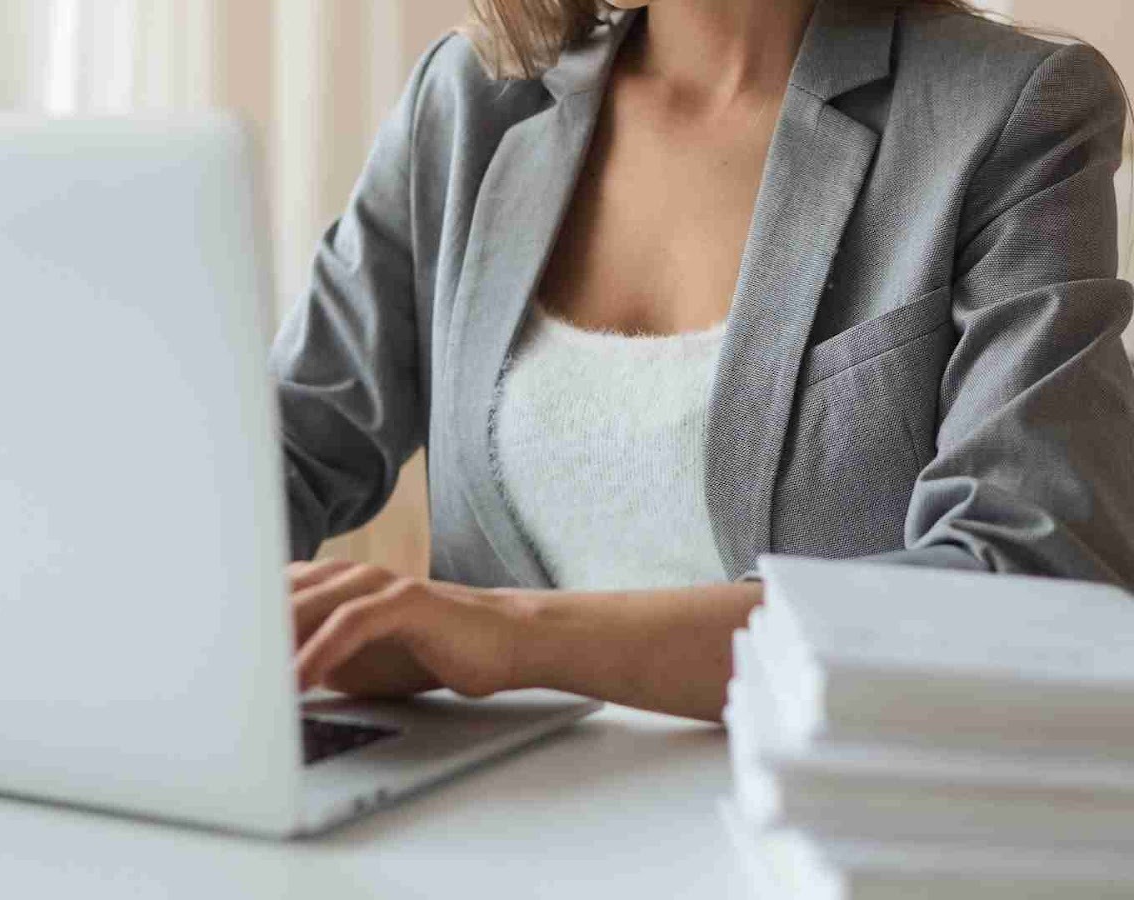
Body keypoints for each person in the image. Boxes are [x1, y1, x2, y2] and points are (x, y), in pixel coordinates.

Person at [275, 0, 1134, 721]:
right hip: (482, 821)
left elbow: (1026, 580)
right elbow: (281, 451)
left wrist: (518, 637)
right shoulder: (470, 101)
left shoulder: (1008, 112)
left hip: (816, 833)